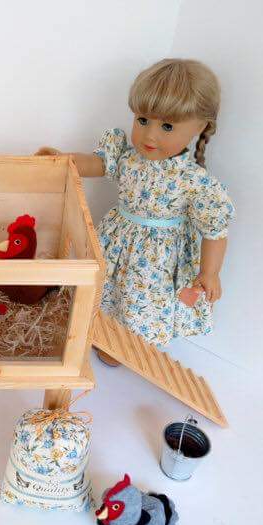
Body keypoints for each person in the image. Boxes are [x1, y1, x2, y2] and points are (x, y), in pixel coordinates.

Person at [38, 59, 235, 360]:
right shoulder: (128, 157)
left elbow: (215, 231)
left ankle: (125, 345)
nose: (149, 135)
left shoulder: (195, 181)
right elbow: (98, 163)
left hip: (156, 260)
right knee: (106, 289)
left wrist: (210, 272)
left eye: (166, 126)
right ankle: (99, 330)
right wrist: (64, 160)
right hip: (116, 241)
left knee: (138, 301)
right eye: (142, 120)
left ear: (200, 127)